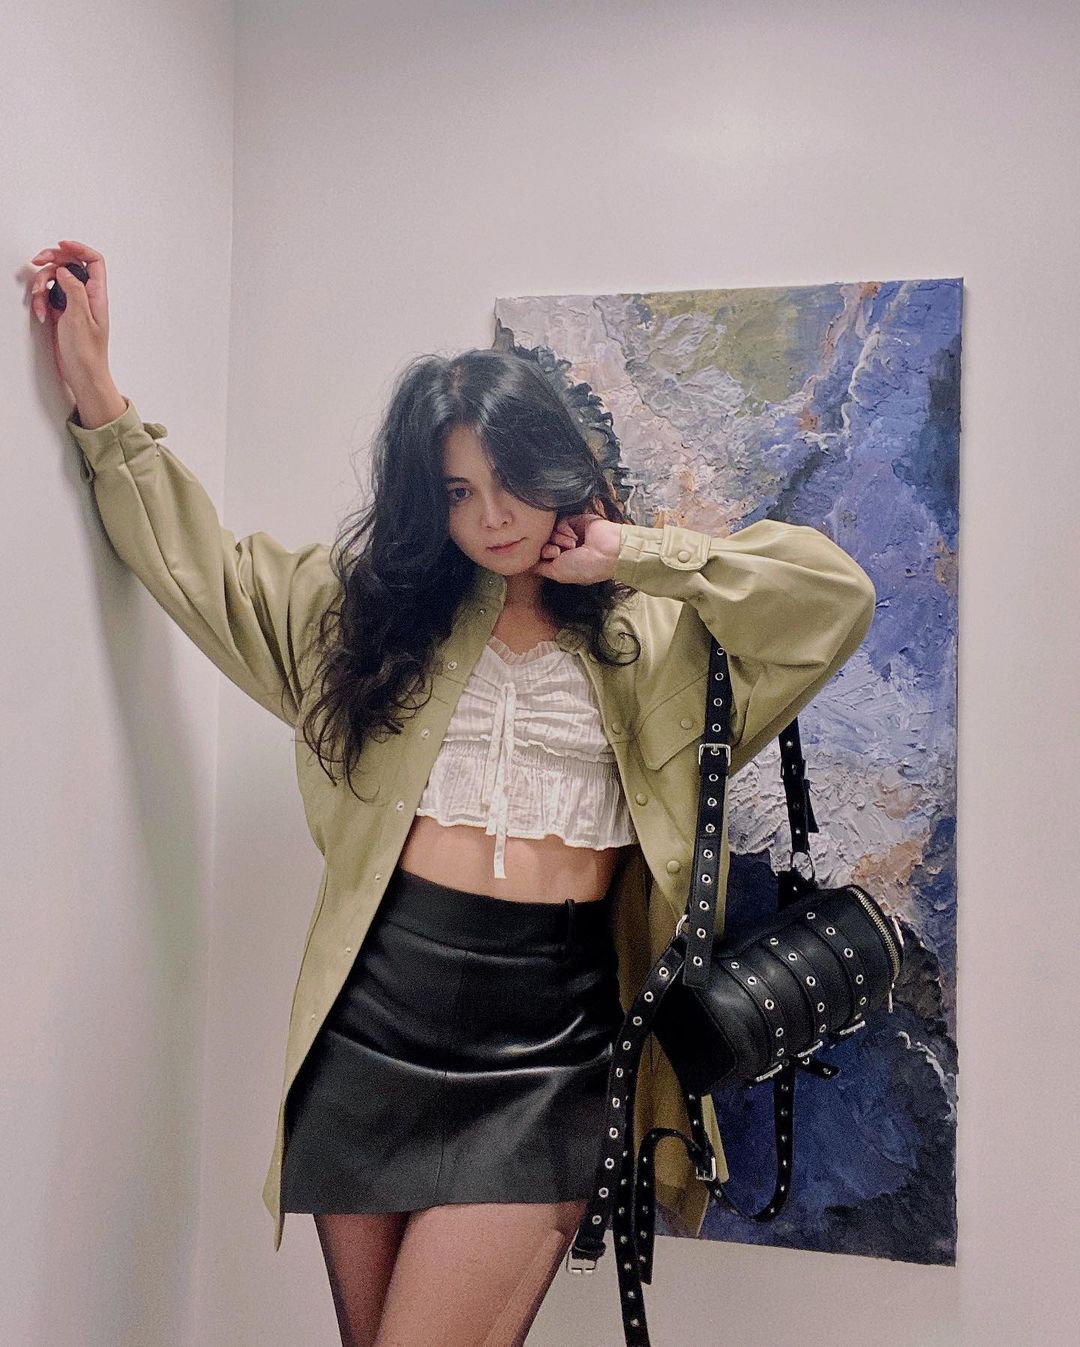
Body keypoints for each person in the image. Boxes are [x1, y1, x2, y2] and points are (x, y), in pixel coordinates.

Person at [30, 240, 877, 1347]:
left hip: (549, 1053)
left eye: (511, 479)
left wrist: (638, 553)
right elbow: (208, 574)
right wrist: (99, 394)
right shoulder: (368, 620)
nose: (492, 516)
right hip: (372, 1033)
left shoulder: (661, 636)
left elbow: (833, 599)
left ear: (558, 463)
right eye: (458, 491)